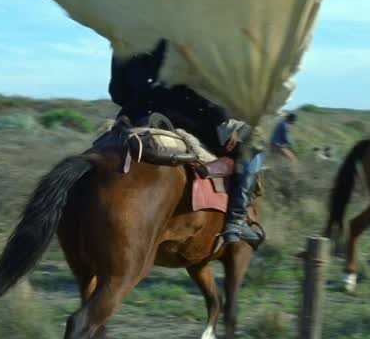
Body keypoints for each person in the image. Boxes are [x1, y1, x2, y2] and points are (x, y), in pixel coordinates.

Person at [107, 38, 265, 247]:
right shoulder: (179, 30)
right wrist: (223, 121)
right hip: (189, 114)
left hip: (137, 117)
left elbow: (117, 93)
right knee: (253, 147)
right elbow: (203, 83)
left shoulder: (122, 40)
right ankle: (236, 220)